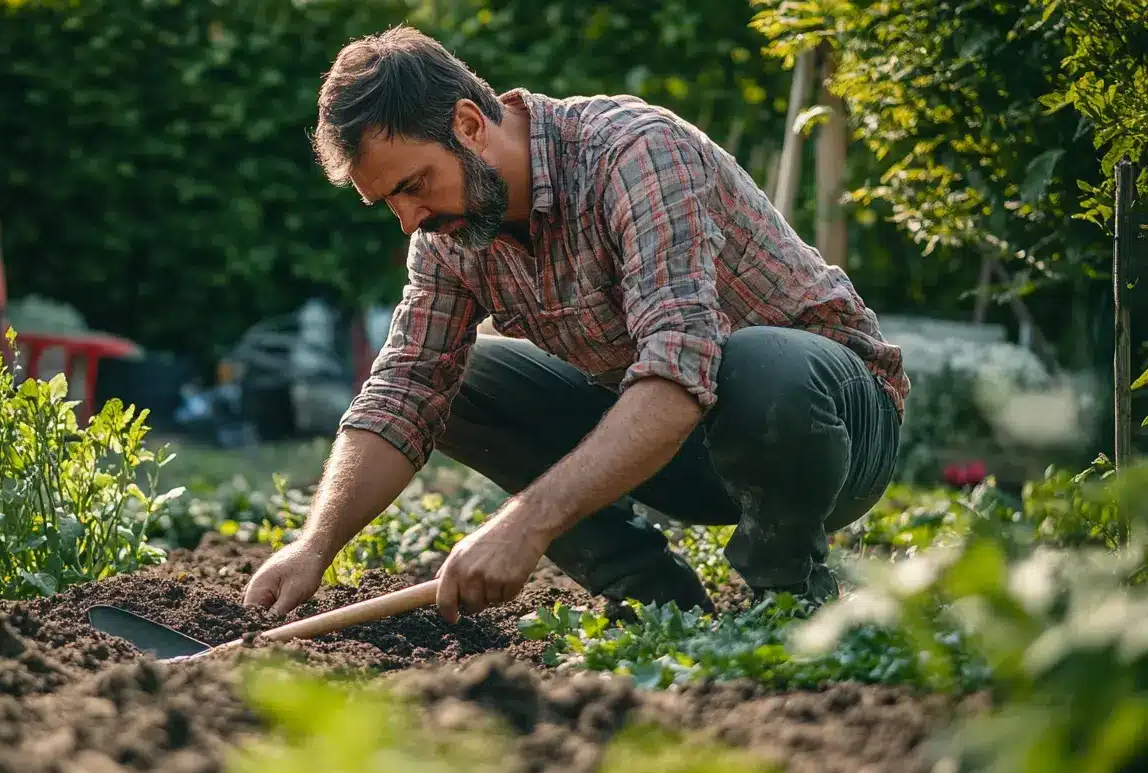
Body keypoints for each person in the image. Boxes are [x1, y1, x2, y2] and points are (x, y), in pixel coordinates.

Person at [242, 25, 909, 625]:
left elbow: (680, 371)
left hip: (831, 429)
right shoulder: (448, 239)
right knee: (457, 382)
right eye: (388, 200)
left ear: (470, 125)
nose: (409, 218)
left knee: (757, 364)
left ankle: (788, 597)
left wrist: (527, 526)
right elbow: (403, 392)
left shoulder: (635, 154)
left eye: (415, 184)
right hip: (683, 450)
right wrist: (315, 545)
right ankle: (654, 598)